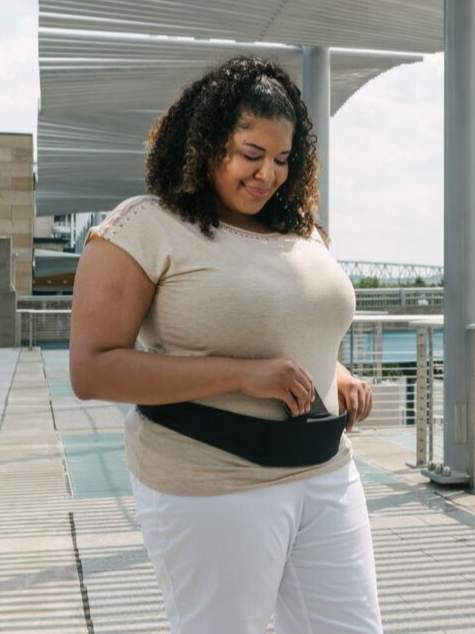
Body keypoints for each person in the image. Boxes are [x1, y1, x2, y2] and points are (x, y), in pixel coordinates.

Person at [69, 55, 383, 634]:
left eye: (283, 159)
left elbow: (293, 330)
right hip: (212, 478)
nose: (268, 175)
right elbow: (93, 370)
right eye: (251, 155)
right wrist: (242, 376)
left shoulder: (302, 231)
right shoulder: (145, 225)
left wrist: (336, 375)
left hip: (326, 469)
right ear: (207, 144)